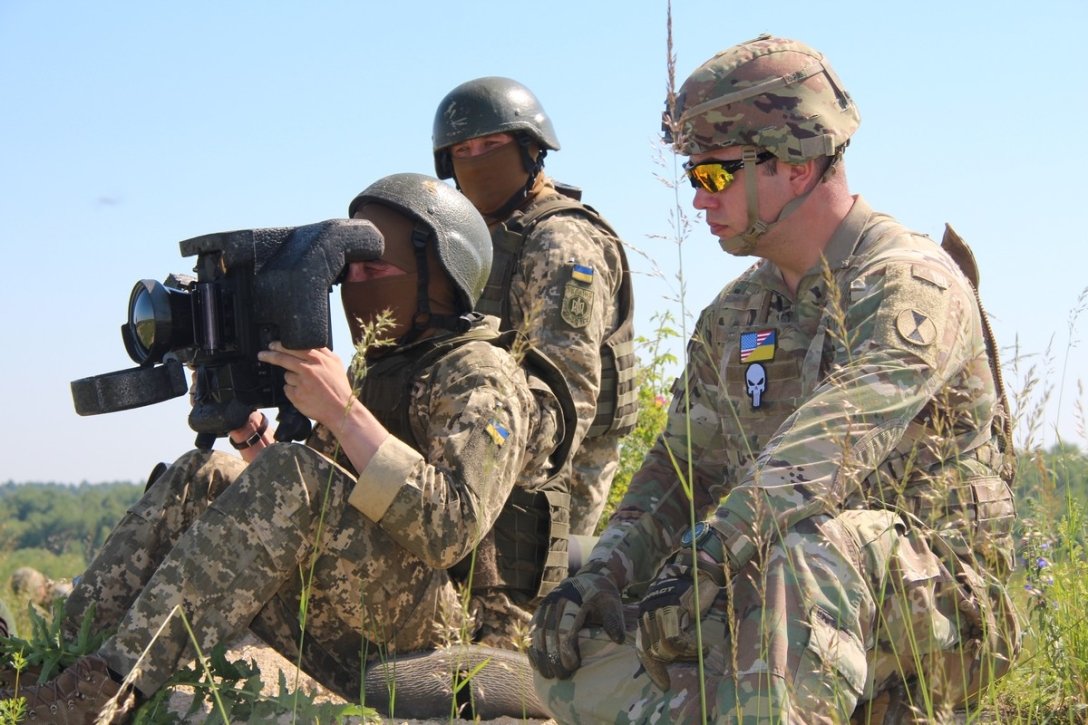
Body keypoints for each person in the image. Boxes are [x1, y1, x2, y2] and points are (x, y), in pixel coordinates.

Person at [528, 34, 1021, 723]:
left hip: (938, 610)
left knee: (809, 552)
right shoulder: (733, 313)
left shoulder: (909, 284)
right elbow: (677, 468)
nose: (700, 197)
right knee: (576, 636)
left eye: (717, 173)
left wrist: (712, 549)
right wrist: (605, 569)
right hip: (774, 590)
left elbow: (831, 445)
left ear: (798, 163)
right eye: (694, 175)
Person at [2, 172, 574, 722]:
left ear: (441, 273)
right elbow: (325, 501)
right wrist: (256, 444)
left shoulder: (481, 374)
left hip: (455, 622)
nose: (356, 286)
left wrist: (343, 411)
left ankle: (103, 696)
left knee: (293, 473)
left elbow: (451, 530)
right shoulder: (379, 366)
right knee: (202, 474)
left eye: (375, 267)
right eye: (350, 272)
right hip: (374, 599)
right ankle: (58, 666)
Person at [432, 76, 638, 536]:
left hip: (552, 477)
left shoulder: (560, 242)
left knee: (534, 606)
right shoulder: (477, 239)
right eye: (462, 151)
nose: (476, 159)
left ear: (530, 148)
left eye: (492, 143)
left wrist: (485, 480)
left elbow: (570, 397)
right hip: (487, 459)